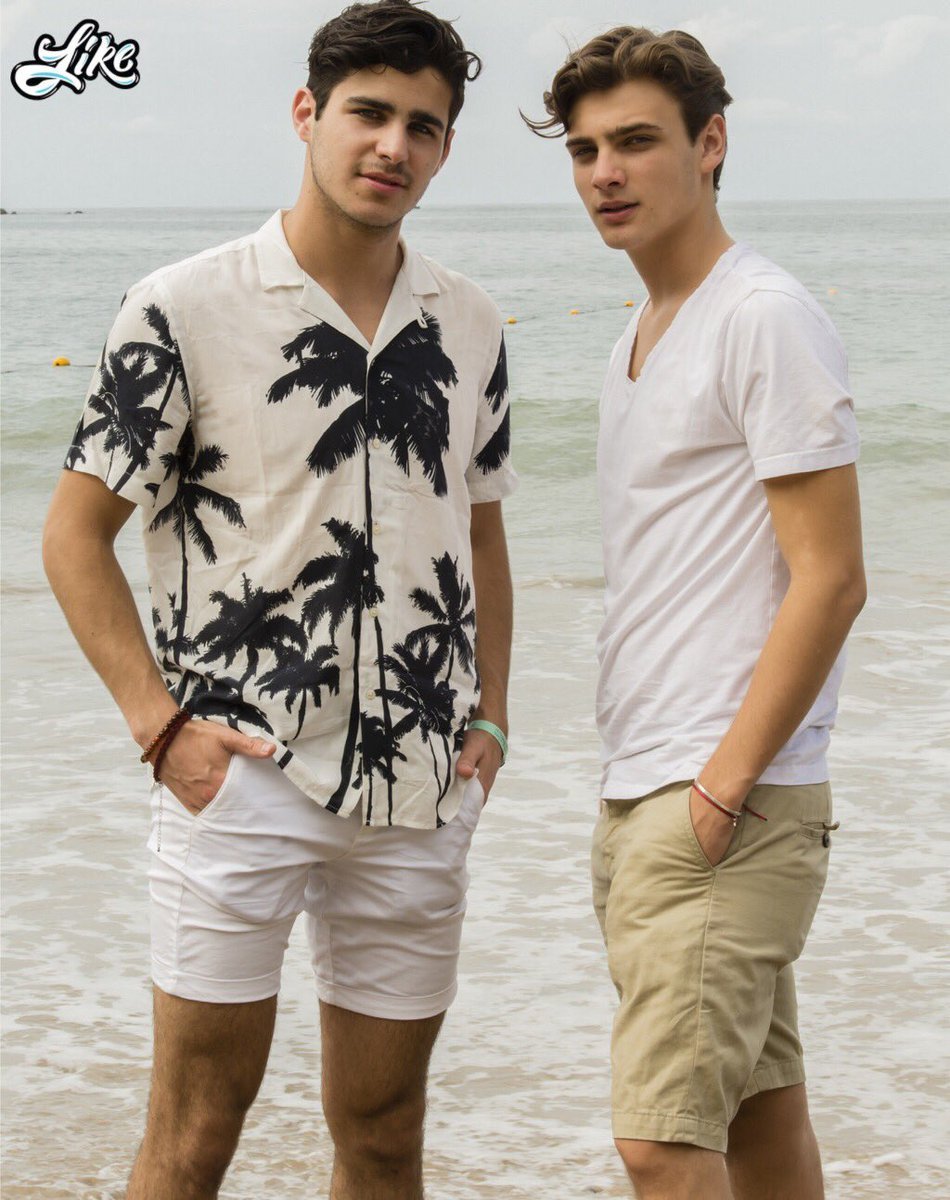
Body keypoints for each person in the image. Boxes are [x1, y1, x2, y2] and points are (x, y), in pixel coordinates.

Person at [42, 3, 515, 1197]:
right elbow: (74, 535)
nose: (391, 146)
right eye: (367, 113)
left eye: (422, 126)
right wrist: (160, 729)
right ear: (307, 114)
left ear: (444, 148)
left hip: (419, 785)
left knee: (385, 1135)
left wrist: (490, 719)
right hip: (237, 777)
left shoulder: (469, 323)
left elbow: (481, 529)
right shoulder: (181, 305)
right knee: (195, 1133)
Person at [528, 27, 865, 1200]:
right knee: (758, 1123)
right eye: (583, 151)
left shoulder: (760, 314)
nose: (603, 174)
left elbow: (830, 577)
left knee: (662, 1145)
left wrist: (720, 786)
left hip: (721, 794)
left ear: (708, 143)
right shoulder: (639, 335)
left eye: (633, 142)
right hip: (652, 785)